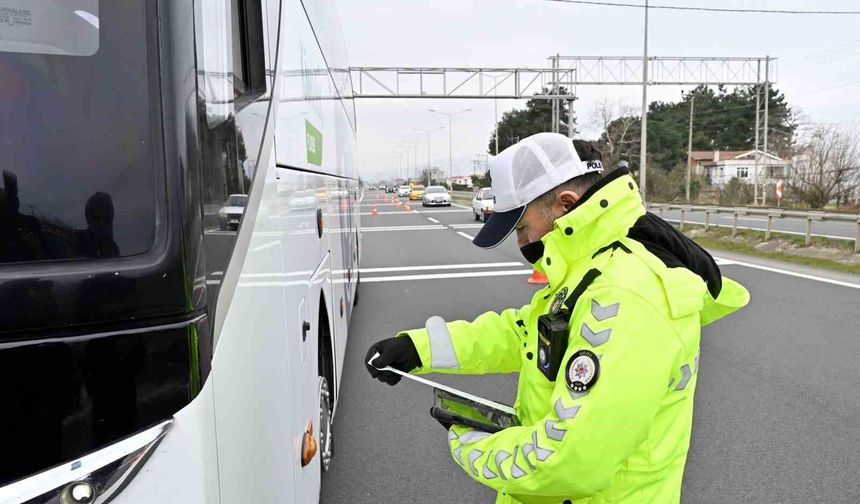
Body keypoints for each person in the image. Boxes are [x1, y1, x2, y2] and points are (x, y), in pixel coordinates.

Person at [365, 132, 749, 504]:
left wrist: (470, 445)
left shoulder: (626, 293)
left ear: (565, 205)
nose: (521, 244)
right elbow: (524, 333)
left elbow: (570, 461)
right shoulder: (591, 268)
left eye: (522, 227)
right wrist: (418, 348)